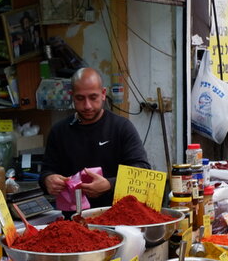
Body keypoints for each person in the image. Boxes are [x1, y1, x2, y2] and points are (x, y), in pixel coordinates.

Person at [40, 67, 151, 209]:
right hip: (74, 220)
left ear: (103, 94)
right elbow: (46, 171)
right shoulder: (59, 131)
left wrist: (109, 184)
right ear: (71, 95)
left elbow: (142, 171)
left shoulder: (122, 127)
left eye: (93, 97)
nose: (87, 106)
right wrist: (47, 180)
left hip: (117, 217)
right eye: (80, 98)